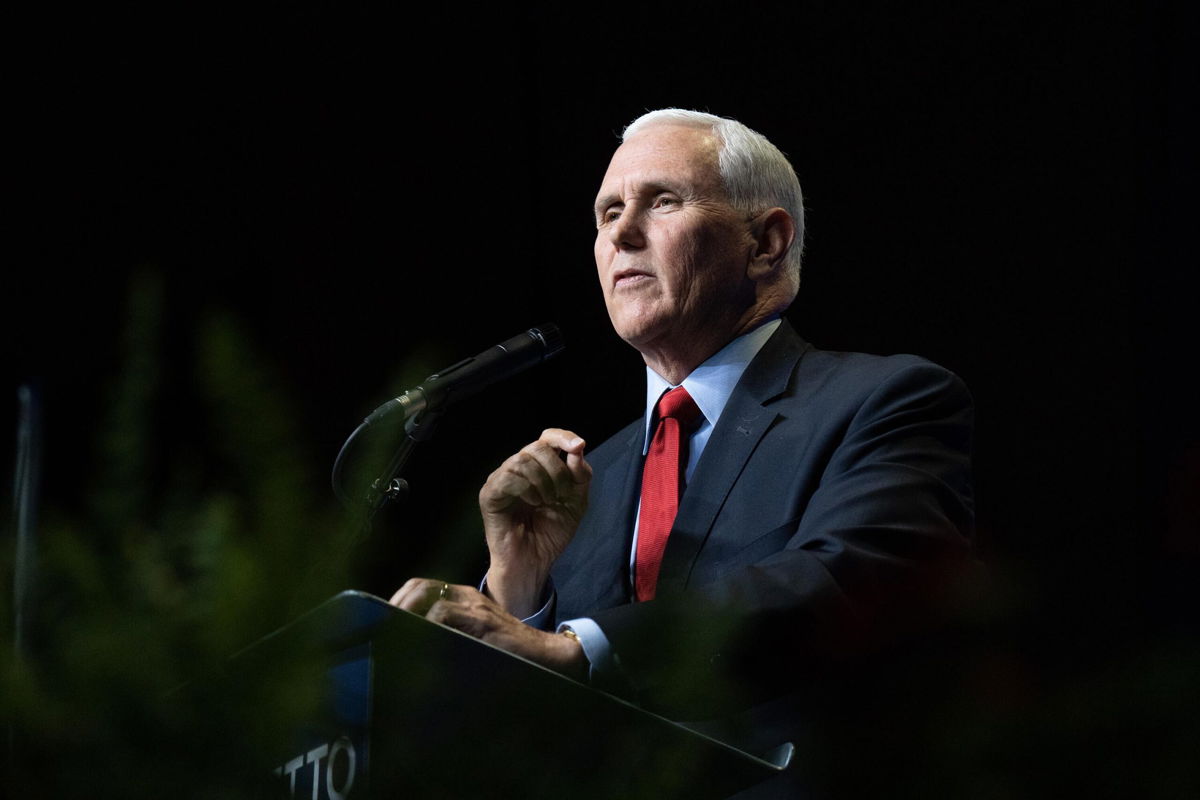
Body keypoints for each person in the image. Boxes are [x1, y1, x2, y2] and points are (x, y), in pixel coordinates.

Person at [389, 109, 974, 795]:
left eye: (661, 201)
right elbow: (543, 712)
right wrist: (522, 594)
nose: (621, 232)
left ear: (766, 243)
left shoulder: (884, 400)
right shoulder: (585, 479)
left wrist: (581, 647)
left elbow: (851, 581)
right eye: (607, 212)